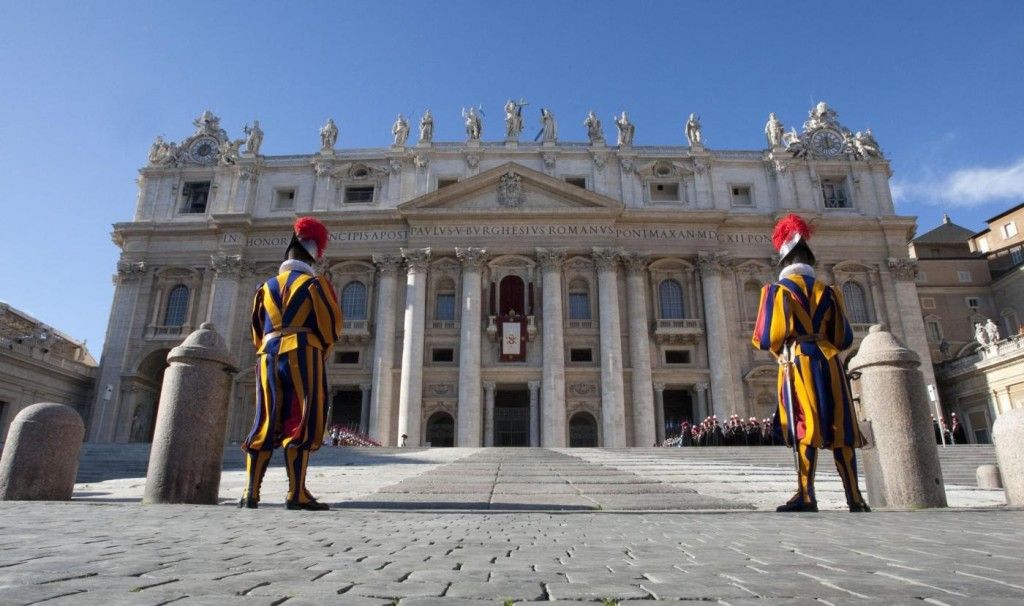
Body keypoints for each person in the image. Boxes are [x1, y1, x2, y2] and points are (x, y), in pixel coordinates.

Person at [752, 213, 870, 513]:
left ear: (784, 262)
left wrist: (784, 347)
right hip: (830, 363)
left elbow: (766, 336)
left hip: (798, 362)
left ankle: (806, 494)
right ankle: (855, 497)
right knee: (840, 426)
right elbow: (843, 337)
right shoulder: (830, 292)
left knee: (804, 422)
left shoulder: (777, 292)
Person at [239, 217, 343, 511]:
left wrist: (268, 347)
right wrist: (318, 347)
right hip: (303, 352)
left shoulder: (265, 287)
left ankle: (251, 493)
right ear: (313, 257)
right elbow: (330, 327)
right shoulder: (315, 284)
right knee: (301, 418)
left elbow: (256, 330)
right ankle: (296, 492)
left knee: (264, 417)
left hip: (267, 354)